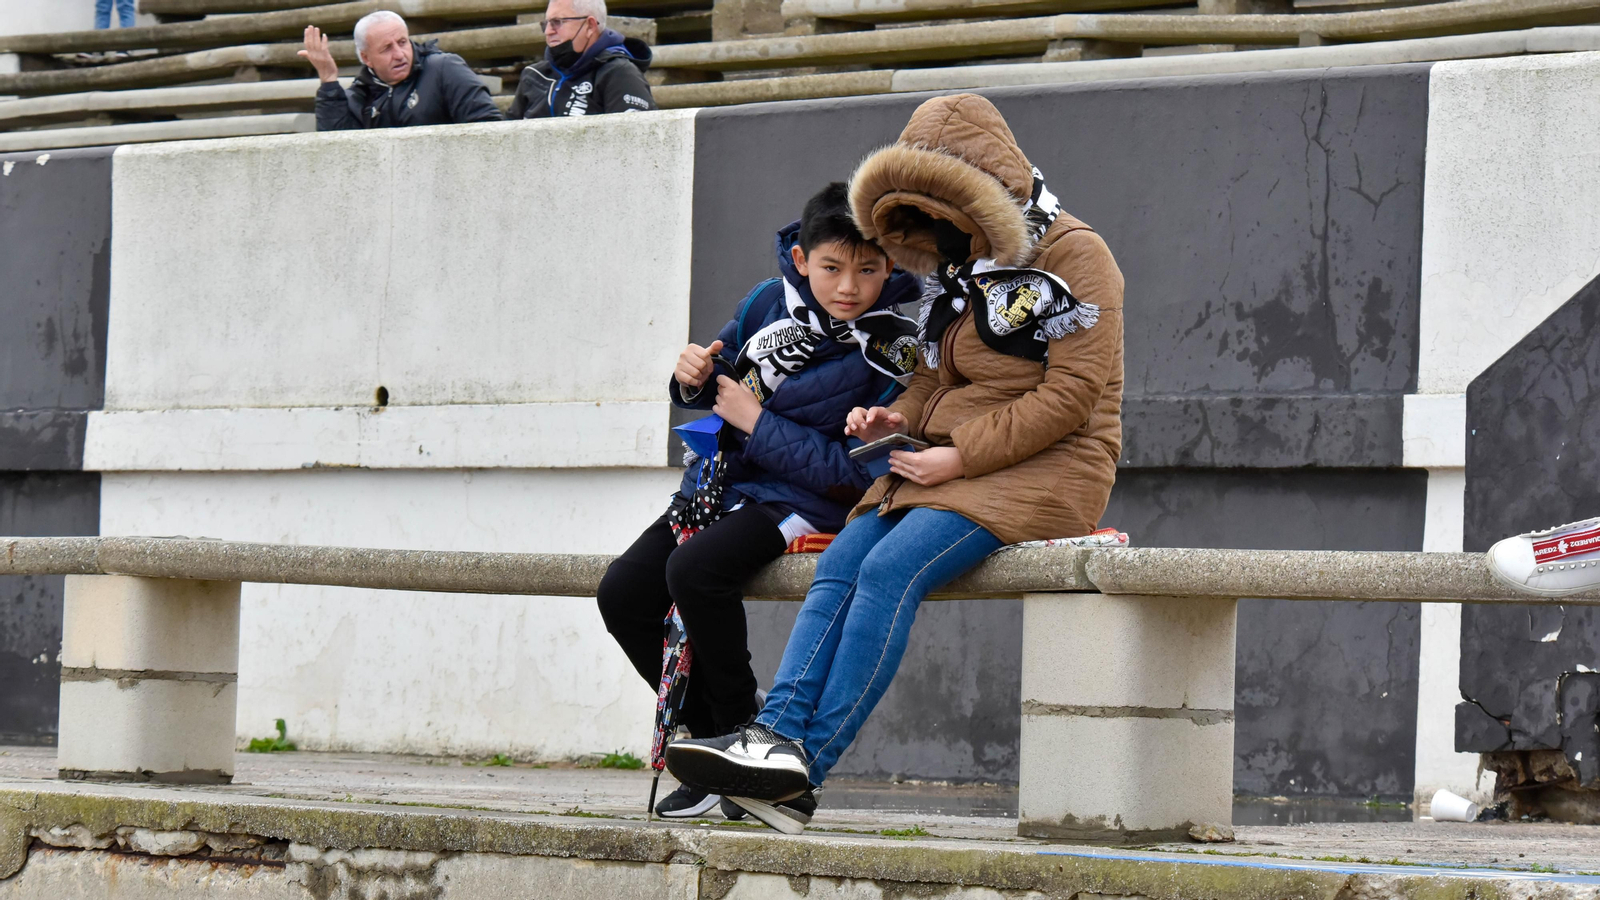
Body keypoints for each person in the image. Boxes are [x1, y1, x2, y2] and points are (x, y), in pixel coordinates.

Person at [664, 93, 1126, 834]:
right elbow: (935, 376)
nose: (937, 238)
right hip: (945, 464)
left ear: (979, 191)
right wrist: (895, 419)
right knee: (846, 558)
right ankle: (771, 740)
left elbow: (1074, 397)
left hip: (1050, 468)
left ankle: (805, 766)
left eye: (945, 215)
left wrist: (958, 455)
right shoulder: (960, 261)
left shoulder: (1076, 255)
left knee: (887, 571)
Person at [595, 183, 920, 820]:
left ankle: (746, 742)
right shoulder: (768, 302)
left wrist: (754, 423)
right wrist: (687, 375)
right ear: (801, 260)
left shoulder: (898, 345)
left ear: (892, 266)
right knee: (624, 593)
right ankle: (714, 740)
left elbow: (855, 477)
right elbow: (714, 383)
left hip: (807, 503)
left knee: (694, 571)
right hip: (722, 485)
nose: (849, 286)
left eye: (868, 269)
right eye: (832, 267)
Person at [300, 12, 502, 131]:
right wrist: (328, 81)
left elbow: (488, 127)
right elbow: (337, 150)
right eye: (387, 48)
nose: (399, 54)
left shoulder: (444, 69)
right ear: (366, 58)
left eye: (402, 42)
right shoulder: (359, 97)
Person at [506, 0, 656, 118]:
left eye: (557, 22)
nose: (548, 31)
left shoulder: (619, 74)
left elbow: (634, 144)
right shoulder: (533, 75)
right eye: (546, 24)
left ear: (590, 26)